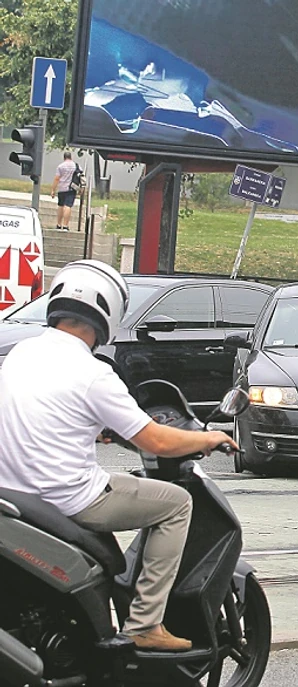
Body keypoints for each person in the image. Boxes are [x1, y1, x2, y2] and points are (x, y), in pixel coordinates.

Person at [0, 259, 238, 652]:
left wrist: (97, 430)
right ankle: (146, 623)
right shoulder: (94, 373)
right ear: (107, 313)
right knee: (176, 504)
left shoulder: (21, 354)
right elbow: (157, 442)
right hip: (70, 498)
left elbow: (41, 415)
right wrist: (207, 439)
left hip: (16, 497)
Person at [50, 151, 78, 231]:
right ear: (71, 157)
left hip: (61, 188)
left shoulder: (60, 166)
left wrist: (53, 190)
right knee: (68, 206)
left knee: (61, 205)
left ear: (64, 157)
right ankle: (65, 225)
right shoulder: (75, 166)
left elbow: (57, 178)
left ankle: (59, 224)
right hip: (71, 188)